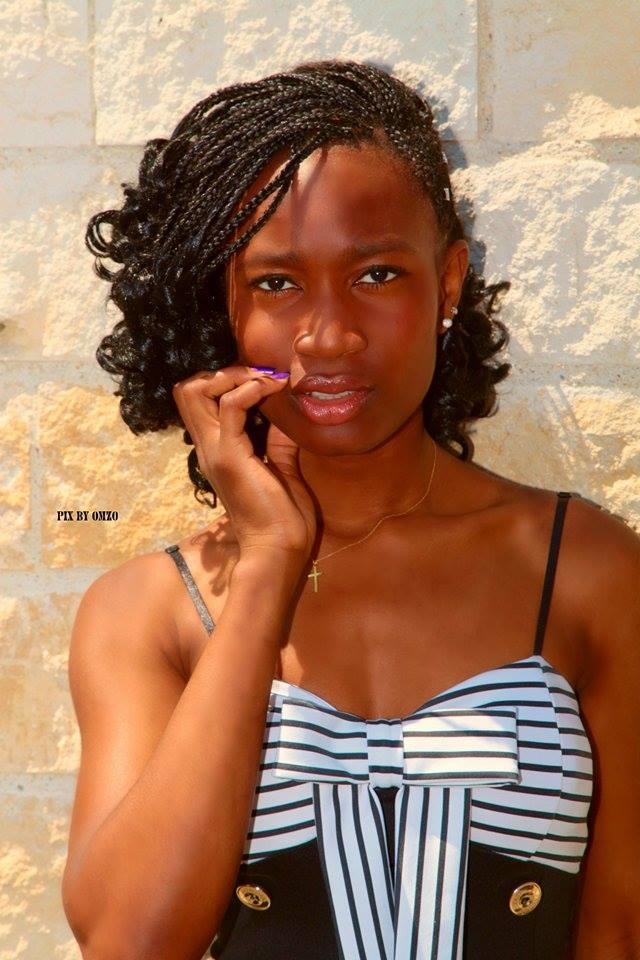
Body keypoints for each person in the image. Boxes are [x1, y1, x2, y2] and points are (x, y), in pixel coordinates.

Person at [61, 60, 640, 960]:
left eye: (375, 273)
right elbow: (129, 943)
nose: (328, 336)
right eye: (276, 283)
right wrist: (267, 565)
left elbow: (622, 929)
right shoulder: (147, 613)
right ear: (223, 307)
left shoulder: (586, 571)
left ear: (448, 283)